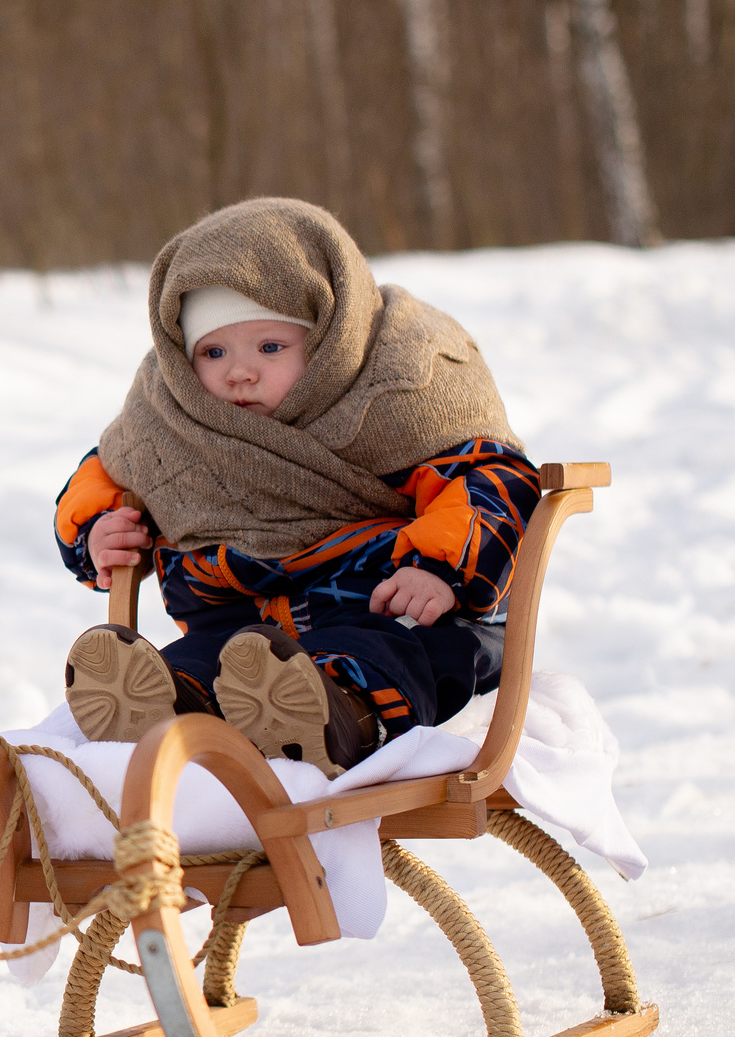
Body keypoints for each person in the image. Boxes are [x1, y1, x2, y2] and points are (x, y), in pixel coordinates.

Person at [51, 198, 541, 774]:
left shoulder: (403, 391)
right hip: (242, 629)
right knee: (198, 661)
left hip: (390, 607)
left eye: (270, 347)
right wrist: (95, 531)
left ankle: (339, 716)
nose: (240, 371)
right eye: (213, 352)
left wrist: (439, 569)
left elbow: (489, 482)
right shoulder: (172, 418)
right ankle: (166, 709)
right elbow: (105, 472)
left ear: (328, 339)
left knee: (387, 655)